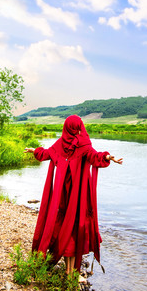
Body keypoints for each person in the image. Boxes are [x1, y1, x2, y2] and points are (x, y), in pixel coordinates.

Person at [23, 115, 122, 281]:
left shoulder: (61, 143)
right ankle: (70, 272)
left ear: (66, 127)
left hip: (61, 197)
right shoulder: (83, 143)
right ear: (79, 127)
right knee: (75, 227)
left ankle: (68, 269)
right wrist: (107, 157)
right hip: (78, 197)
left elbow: (48, 154)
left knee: (63, 226)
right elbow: (94, 156)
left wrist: (36, 151)